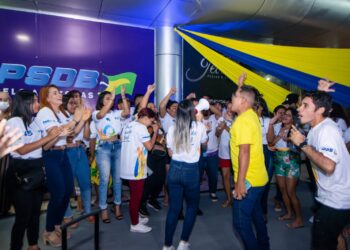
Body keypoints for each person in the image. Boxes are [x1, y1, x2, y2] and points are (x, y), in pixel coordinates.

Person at [290, 85, 350, 250]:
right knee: (336, 237)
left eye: (305, 105)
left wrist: (302, 144)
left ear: (320, 110)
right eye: (301, 104)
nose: (299, 108)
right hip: (332, 196)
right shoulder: (317, 128)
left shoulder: (327, 130)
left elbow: (329, 166)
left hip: (336, 200)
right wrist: (321, 91)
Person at [6, 90, 62, 250]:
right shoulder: (13, 122)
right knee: (22, 217)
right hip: (20, 173)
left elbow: (45, 146)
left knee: (35, 214)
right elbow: (21, 150)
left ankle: (33, 245)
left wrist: (57, 135)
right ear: (24, 103)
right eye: (35, 101)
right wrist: (47, 137)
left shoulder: (35, 121)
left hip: (37, 171)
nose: (38, 104)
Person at [36, 85, 83, 247]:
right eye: (54, 93)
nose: (59, 94)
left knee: (67, 190)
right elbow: (55, 132)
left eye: (59, 92)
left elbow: (71, 133)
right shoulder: (45, 112)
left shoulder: (60, 113)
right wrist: (75, 119)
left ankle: (57, 225)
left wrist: (81, 119)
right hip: (51, 156)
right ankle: (48, 231)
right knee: (58, 193)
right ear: (47, 98)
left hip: (63, 154)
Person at [163, 99, 208, 250]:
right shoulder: (200, 126)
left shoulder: (172, 128)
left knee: (174, 209)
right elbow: (204, 144)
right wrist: (201, 124)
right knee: (192, 207)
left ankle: (167, 245)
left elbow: (170, 152)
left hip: (175, 169)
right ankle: (183, 242)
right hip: (191, 171)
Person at [230, 85, 269, 250]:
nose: (230, 100)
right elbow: (245, 95)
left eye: (233, 98)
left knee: (240, 223)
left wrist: (240, 183)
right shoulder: (252, 115)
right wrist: (240, 86)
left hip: (248, 181)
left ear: (243, 101)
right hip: (259, 179)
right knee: (257, 218)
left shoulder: (243, 121)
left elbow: (244, 152)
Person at [92, 86, 129, 223]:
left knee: (118, 180)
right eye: (107, 98)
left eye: (112, 98)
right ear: (101, 101)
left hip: (118, 146)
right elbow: (101, 115)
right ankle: (104, 209)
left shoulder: (115, 113)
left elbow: (126, 112)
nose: (111, 100)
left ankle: (117, 206)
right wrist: (112, 98)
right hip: (104, 148)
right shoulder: (96, 113)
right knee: (105, 180)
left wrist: (123, 97)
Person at [120, 107, 159, 233]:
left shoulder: (129, 125)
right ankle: (134, 224)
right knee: (136, 197)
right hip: (136, 167)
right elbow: (149, 147)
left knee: (135, 195)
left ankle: (135, 217)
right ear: (146, 118)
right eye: (151, 121)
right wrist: (155, 132)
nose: (150, 124)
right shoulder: (141, 128)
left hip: (128, 164)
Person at [267, 107, 303, 228]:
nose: (284, 117)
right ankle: (288, 213)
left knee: (291, 192)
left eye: (288, 115)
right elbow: (270, 142)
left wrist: (288, 139)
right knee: (282, 190)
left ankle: (299, 219)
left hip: (291, 159)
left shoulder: (296, 130)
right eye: (284, 115)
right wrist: (278, 134)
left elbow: (299, 147)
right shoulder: (277, 126)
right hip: (278, 159)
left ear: (293, 118)